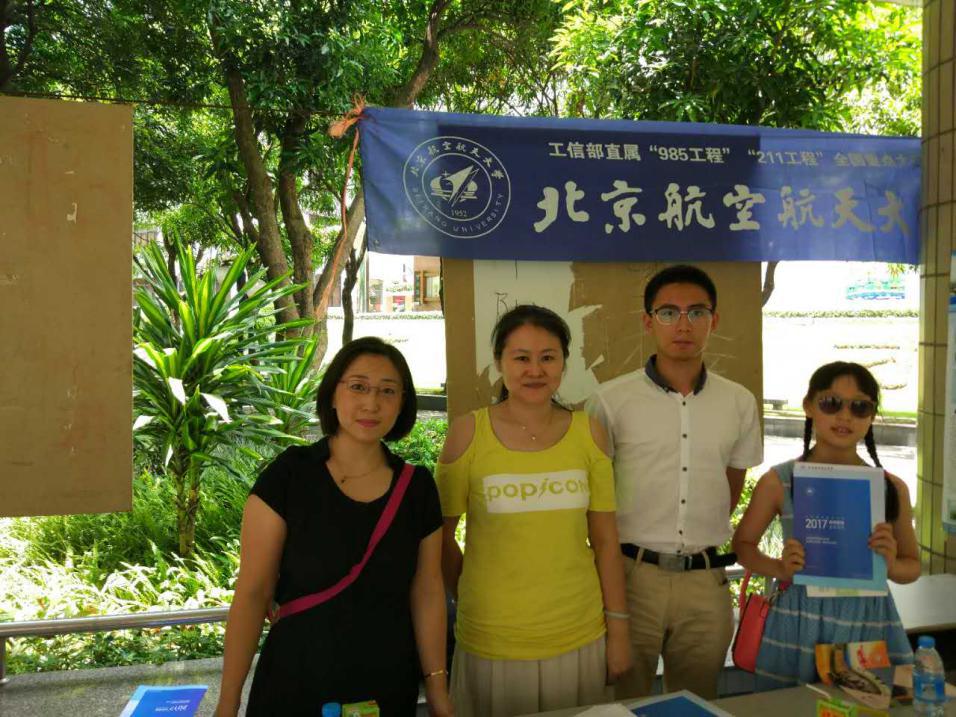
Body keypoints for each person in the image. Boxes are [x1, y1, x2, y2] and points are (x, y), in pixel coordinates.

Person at [214, 337, 453, 716]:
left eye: (387, 391)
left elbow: (427, 592)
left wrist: (438, 690)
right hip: (295, 685)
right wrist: (227, 703)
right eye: (358, 386)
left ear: (402, 402)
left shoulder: (417, 488)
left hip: (386, 688)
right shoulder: (290, 476)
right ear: (332, 394)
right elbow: (253, 592)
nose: (371, 403)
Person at [437, 304, 632, 717]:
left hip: (579, 633)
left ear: (563, 363)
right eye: (521, 358)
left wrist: (617, 630)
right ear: (499, 362)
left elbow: (605, 541)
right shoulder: (467, 434)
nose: (535, 370)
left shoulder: (588, 432)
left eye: (548, 357)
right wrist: (471, 592)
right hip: (492, 641)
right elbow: (439, 539)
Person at [586, 264, 763, 699]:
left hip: (705, 582)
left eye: (696, 312)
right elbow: (596, 496)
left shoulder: (738, 402)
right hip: (630, 579)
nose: (683, 325)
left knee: (696, 701)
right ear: (648, 321)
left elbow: (731, 484)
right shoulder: (610, 401)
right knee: (623, 700)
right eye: (668, 313)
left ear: (713, 320)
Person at [732, 361, 919, 690]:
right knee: (792, 707)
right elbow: (742, 546)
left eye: (859, 407)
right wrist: (780, 568)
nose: (845, 416)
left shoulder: (891, 488)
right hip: (796, 620)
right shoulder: (779, 481)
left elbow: (912, 567)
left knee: (865, 705)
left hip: (867, 620)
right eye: (831, 403)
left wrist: (889, 564)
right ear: (808, 406)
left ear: (871, 415)